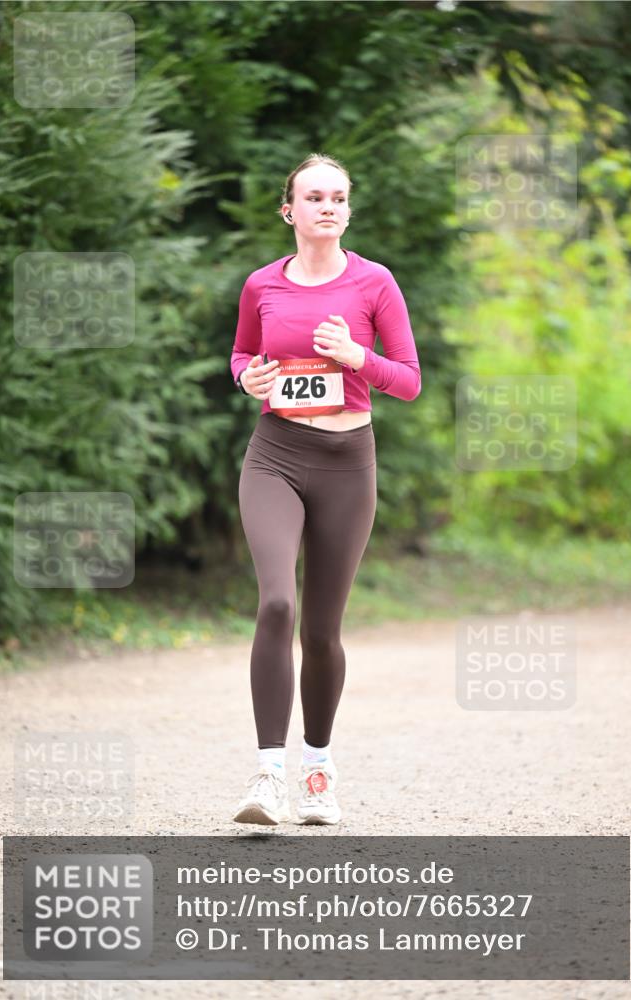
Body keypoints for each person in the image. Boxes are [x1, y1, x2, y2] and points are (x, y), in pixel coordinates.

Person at [230, 153, 421, 825]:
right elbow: (242, 353)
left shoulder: (374, 284)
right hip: (276, 455)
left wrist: (354, 358)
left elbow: (407, 379)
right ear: (289, 210)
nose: (328, 207)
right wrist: (246, 378)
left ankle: (317, 767)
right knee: (277, 602)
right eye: (314, 197)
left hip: (348, 463)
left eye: (338, 197)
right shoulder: (261, 285)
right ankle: (267, 776)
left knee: (322, 628)